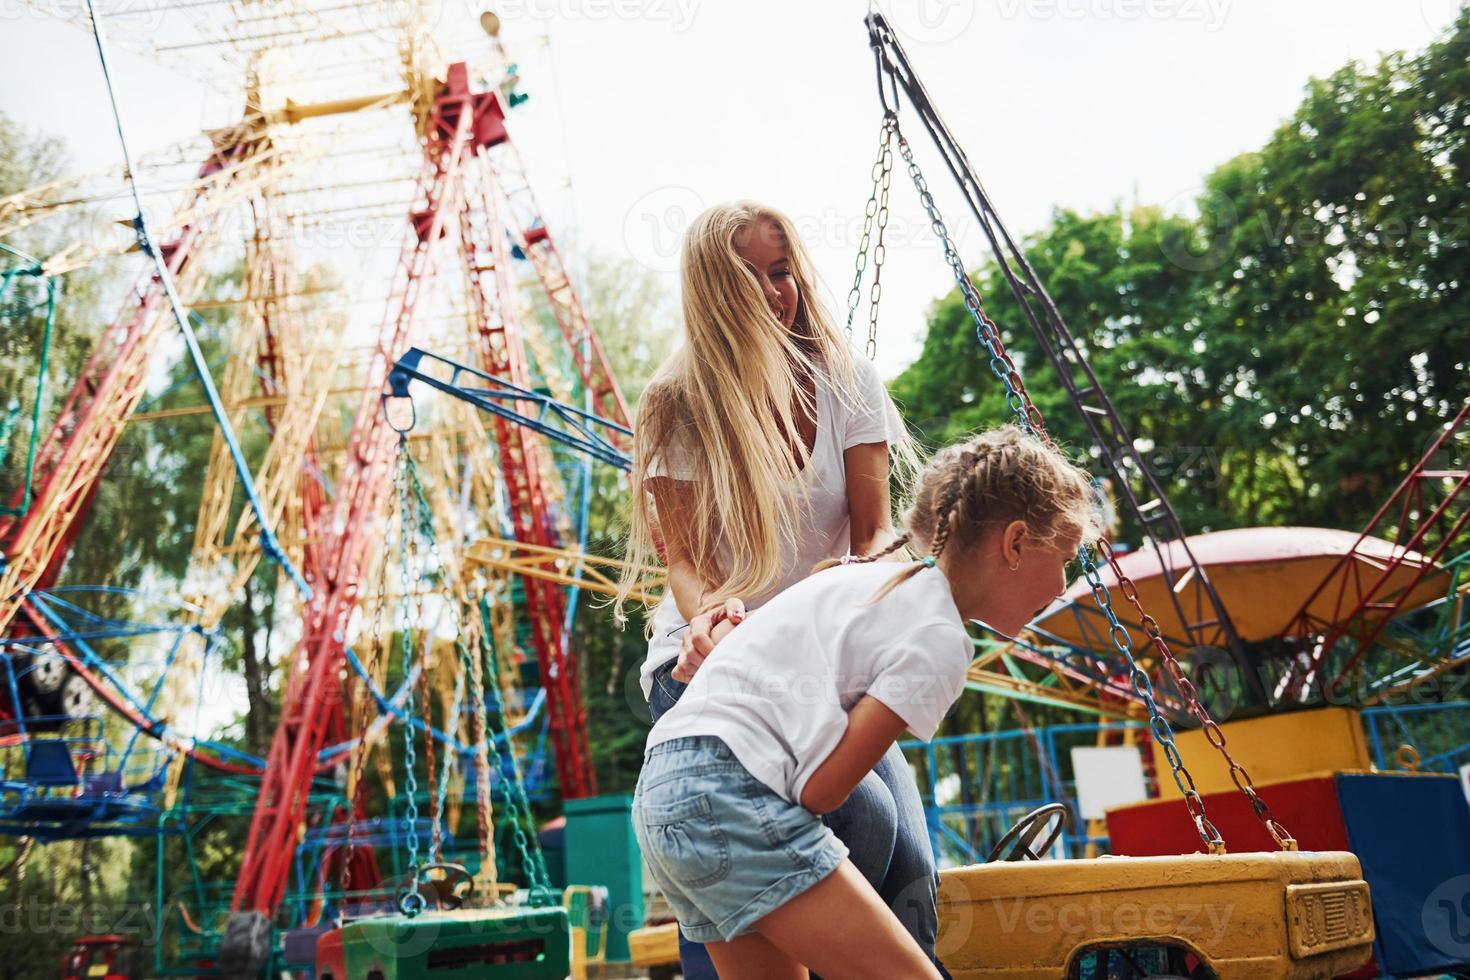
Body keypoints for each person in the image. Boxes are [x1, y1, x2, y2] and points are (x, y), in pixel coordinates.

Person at [633, 425, 1100, 979]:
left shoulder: (859, 582)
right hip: (732, 793)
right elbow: (822, 788)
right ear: (1015, 543)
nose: (1063, 584)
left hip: (662, 792)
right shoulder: (941, 638)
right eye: (1067, 557)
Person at [613, 200, 934, 976]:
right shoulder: (677, 402)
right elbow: (684, 565)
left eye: (782, 270)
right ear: (713, 293)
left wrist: (882, 575)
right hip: (713, 663)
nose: (773, 290)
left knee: (911, 870)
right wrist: (716, 618)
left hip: (824, 661)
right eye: (749, 276)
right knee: (854, 818)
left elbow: (873, 530)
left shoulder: (846, 378)